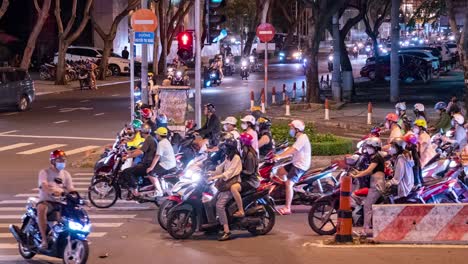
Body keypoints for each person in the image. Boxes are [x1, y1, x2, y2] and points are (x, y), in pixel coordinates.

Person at [37, 150, 75, 249]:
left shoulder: (66, 174)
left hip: (60, 203)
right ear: (53, 161)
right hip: (47, 201)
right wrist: (52, 191)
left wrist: (76, 196)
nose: (62, 162)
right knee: (41, 209)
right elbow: (44, 185)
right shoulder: (45, 172)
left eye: (63, 160)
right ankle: (44, 240)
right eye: (59, 160)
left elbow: (70, 188)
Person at [207, 137, 242, 241]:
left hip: (232, 183)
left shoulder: (236, 158)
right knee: (212, 202)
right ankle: (215, 225)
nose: (224, 149)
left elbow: (229, 173)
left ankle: (227, 231)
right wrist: (210, 172)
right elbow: (220, 168)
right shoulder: (228, 157)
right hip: (224, 184)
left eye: (226, 147)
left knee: (219, 205)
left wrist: (215, 177)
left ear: (230, 148)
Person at [274, 120, 311, 215]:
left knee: (289, 184)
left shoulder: (302, 138)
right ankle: (284, 194)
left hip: (300, 165)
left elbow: (293, 149)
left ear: (297, 129)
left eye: (292, 128)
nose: (290, 130)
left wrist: (280, 156)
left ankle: (287, 207)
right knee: (280, 171)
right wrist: (279, 154)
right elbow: (291, 149)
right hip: (295, 162)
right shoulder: (299, 138)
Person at [351, 137, 385, 236]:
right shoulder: (375, 157)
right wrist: (358, 172)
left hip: (377, 186)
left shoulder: (376, 158)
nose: (367, 149)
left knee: (367, 206)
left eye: (369, 147)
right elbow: (369, 171)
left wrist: (357, 175)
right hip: (375, 184)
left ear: (375, 147)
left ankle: (365, 230)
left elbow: (369, 171)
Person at [121, 124, 157, 197]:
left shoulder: (149, 140)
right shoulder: (149, 139)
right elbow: (141, 149)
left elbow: (140, 152)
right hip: (146, 162)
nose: (139, 132)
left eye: (140, 131)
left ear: (143, 132)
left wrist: (127, 157)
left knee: (127, 171)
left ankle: (135, 190)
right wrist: (129, 152)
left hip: (147, 164)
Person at [230, 132, 260, 218]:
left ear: (244, 142)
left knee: (234, 188)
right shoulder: (244, 151)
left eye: (240, 141)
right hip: (246, 179)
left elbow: (249, 171)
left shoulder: (250, 154)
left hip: (251, 181)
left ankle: (241, 210)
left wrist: (237, 172)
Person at [146, 127, 177, 196]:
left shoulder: (161, 143)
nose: (156, 136)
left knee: (151, 174)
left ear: (159, 135)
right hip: (171, 163)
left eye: (157, 134)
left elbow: (157, 156)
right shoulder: (166, 141)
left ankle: (159, 191)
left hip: (167, 164)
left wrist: (151, 167)